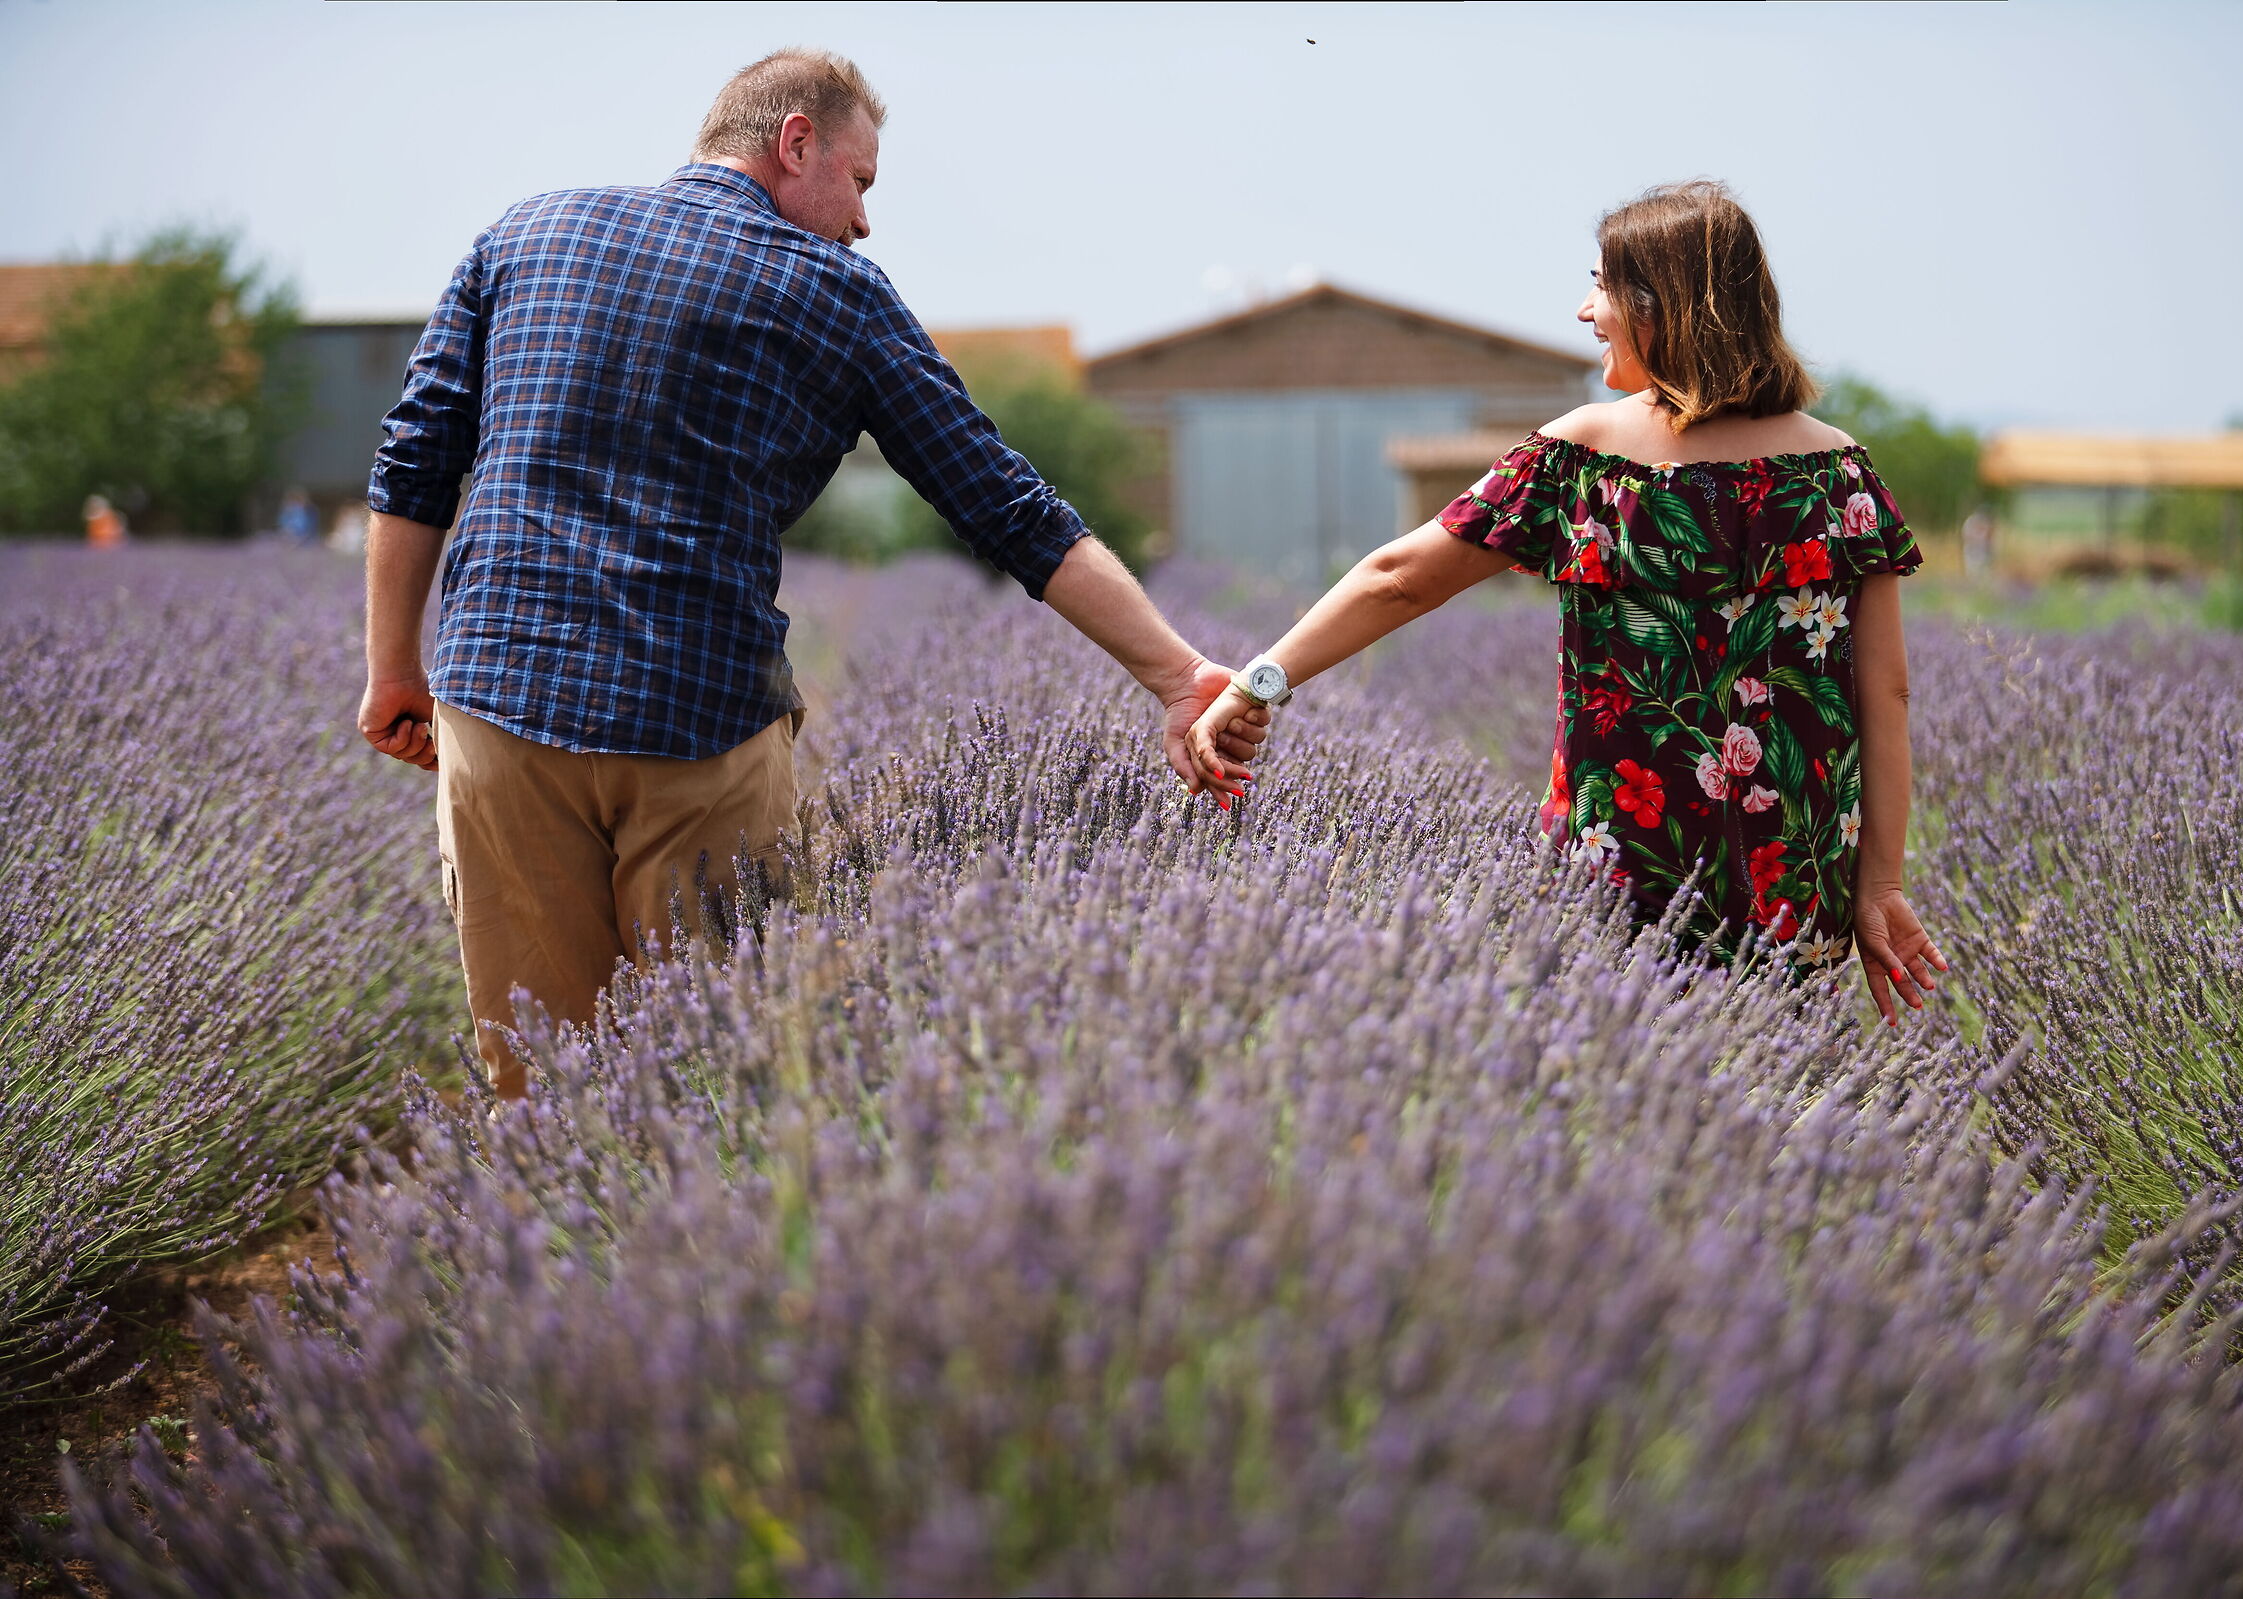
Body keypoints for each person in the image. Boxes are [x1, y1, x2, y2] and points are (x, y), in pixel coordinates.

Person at [358, 48, 1267, 1096]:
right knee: (711, 1076)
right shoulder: (840, 295)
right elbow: (1004, 505)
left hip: (501, 706)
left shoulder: (522, 236)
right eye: (861, 181)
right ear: (796, 143)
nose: (865, 220)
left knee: (541, 1083)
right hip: (694, 722)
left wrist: (392, 671)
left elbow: (415, 457)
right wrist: (1172, 674)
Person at [1189, 180, 1946, 1027]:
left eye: (1604, 287)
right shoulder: (1839, 472)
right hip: (1795, 881)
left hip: (1615, 878)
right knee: (1766, 1112)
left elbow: (1401, 578)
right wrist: (1878, 883)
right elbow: (1885, 694)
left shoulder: (1586, 457)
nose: (1587, 311)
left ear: (1664, 306)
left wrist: (1257, 683)